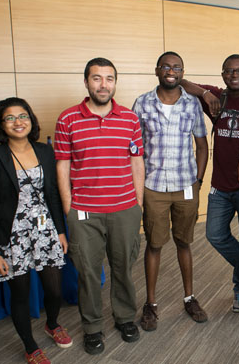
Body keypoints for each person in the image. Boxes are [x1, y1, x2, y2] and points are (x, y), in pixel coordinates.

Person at [55, 57, 144, 355]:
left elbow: (136, 162)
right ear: (86, 82)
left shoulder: (130, 119)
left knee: (123, 268)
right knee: (89, 273)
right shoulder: (67, 119)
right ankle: (92, 327)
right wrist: (70, 209)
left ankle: (125, 318)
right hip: (84, 213)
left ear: (115, 82)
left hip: (124, 209)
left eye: (109, 78)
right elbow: (63, 167)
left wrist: (137, 205)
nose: (103, 84)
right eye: (97, 78)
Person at [0, 97, 72, 364]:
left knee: (54, 289)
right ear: (1, 124)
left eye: (23, 116)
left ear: (31, 120)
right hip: (12, 234)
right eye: (10, 117)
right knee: (20, 294)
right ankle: (30, 346)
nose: (18, 122)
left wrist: (61, 232)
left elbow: (52, 194)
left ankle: (52, 324)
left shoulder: (45, 151)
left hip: (45, 229)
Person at [132, 51, 209, 332]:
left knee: (184, 243)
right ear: (157, 70)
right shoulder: (141, 103)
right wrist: (137, 185)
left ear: (182, 72)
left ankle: (189, 298)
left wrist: (197, 181)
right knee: (153, 245)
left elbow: (202, 146)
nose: (171, 70)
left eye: (177, 67)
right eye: (166, 66)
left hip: (186, 185)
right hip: (153, 187)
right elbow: (134, 150)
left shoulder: (192, 106)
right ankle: (150, 305)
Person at [180, 54, 239, 313]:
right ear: (223, 74)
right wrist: (205, 94)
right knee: (215, 235)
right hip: (220, 187)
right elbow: (181, 82)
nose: (234, 75)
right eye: (229, 71)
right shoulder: (219, 98)